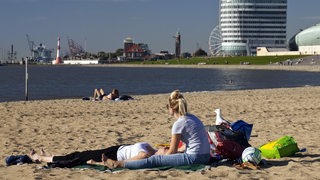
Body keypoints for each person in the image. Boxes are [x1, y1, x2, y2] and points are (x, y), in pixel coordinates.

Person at [99, 90, 210, 169]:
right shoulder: (192, 117)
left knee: (154, 160)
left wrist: (158, 155)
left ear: (171, 108)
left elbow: (172, 152)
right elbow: (192, 142)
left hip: (194, 158)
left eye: (167, 107)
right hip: (206, 156)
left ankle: (117, 164)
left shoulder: (179, 123)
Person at [29, 142, 160, 166]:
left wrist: (98, 163)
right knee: (79, 154)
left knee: (78, 157)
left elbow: (122, 163)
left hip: (113, 156)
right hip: (116, 148)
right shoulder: (152, 149)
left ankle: (41, 158)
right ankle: (50, 156)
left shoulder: (145, 155)